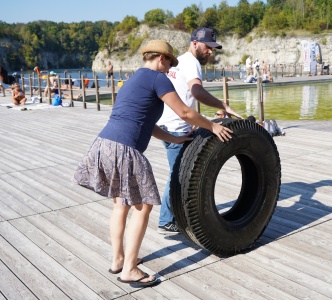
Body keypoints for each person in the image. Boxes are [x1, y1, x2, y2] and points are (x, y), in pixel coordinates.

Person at [73, 40, 233, 287]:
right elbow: (185, 113)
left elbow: (145, 123)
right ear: (161, 58)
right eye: (169, 62)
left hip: (104, 143)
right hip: (125, 148)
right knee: (144, 206)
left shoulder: (134, 79)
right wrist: (212, 125)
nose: (170, 68)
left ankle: (117, 260)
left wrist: (175, 139)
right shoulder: (158, 78)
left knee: (121, 205)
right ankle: (129, 269)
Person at [157, 27, 243, 234]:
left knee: (183, 171)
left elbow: (182, 95)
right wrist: (222, 106)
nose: (210, 52)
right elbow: (196, 92)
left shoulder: (178, 61)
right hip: (176, 127)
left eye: (213, 48)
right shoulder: (192, 62)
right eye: (208, 47)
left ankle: (178, 215)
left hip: (169, 123)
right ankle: (166, 220)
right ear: (195, 43)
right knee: (178, 174)